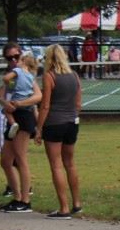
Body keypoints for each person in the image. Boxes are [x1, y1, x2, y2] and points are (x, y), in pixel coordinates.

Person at [34, 44, 83, 220]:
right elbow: (78, 103)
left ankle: (64, 208)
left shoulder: (49, 76)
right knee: (70, 163)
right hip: (72, 122)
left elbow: (45, 105)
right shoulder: (74, 75)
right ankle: (76, 203)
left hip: (54, 123)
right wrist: (72, 116)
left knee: (56, 166)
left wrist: (39, 128)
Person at [0, 42, 41, 213]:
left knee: (21, 158)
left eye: (16, 56)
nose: (14, 60)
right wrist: (4, 102)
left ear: (21, 56)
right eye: (10, 58)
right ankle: (16, 198)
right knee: (5, 160)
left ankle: (25, 200)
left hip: (23, 116)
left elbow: (38, 96)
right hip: (12, 118)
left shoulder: (26, 73)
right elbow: (2, 95)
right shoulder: (11, 76)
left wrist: (20, 103)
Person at [1, 53, 38, 140]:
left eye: (19, 60)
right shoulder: (31, 75)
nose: (16, 61)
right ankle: (39, 125)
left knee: (6, 110)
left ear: (23, 62)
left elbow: (5, 78)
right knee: (34, 109)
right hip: (27, 101)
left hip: (16, 100)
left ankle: (13, 123)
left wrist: (8, 82)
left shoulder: (18, 71)